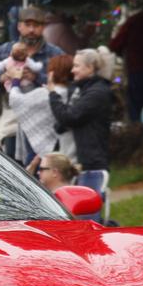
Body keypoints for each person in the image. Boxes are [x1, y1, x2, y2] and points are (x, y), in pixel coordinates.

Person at [0, 6, 64, 157]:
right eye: (27, 25)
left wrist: (36, 78)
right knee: (12, 168)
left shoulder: (55, 53)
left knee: (42, 171)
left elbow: (65, 88)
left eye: (36, 25)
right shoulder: (4, 51)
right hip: (13, 118)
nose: (31, 30)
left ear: (43, 27)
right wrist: (4, 77)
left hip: (44, 121)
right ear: (19, 26)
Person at [47, 48, 112, 191]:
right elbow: (63, 122)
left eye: (76, 66)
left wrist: (53, 93)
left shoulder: (97, 93)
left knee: (85, 208)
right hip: (80, 161)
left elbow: (69, 117)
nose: (72, 71)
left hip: (92, 163)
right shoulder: (80, 89)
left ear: (90, 68)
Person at [9, 54, 76, 164]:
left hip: (39, 153)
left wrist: (15, 79)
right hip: (61, 149)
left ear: (53, 72)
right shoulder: (71, 93)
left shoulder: (46, 93)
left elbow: (15, 100)